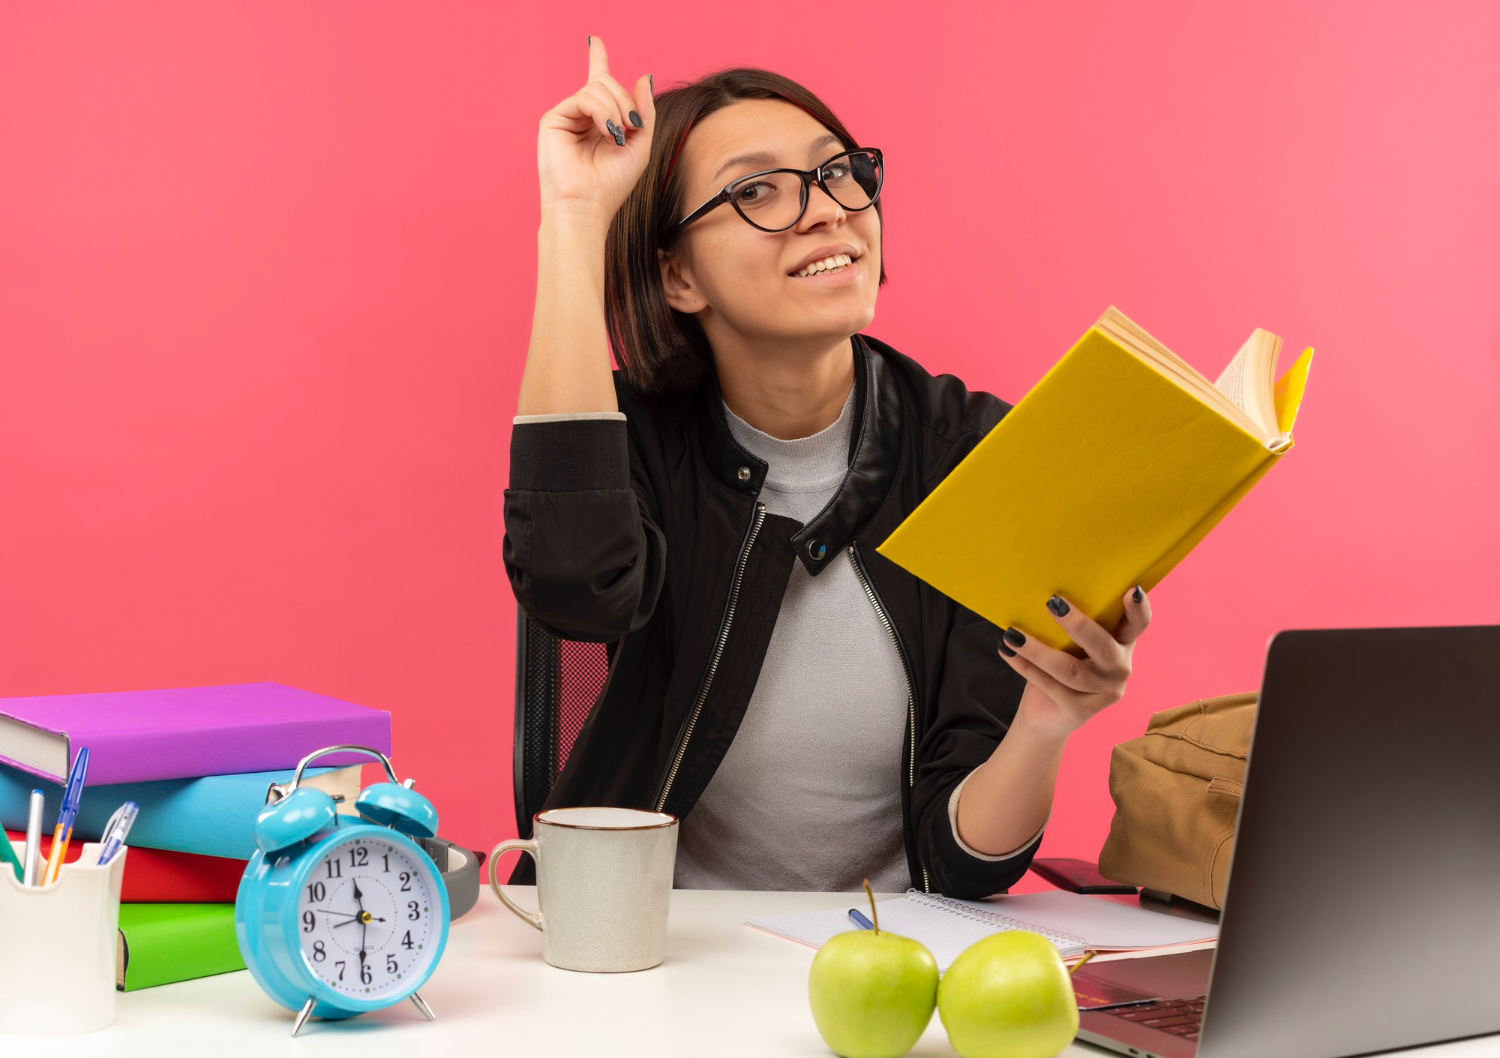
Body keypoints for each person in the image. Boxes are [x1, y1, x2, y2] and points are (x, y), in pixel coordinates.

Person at [502, 36, 1152, 898]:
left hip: (896, 955)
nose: (826, 211)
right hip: (660, 952)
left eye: (838, 173)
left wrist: (1047, 720)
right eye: (756, 190)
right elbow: (573, 587)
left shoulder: (971, 451)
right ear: (678, 278)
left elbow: (964, 863)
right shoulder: (634, 442)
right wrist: (576, 218)